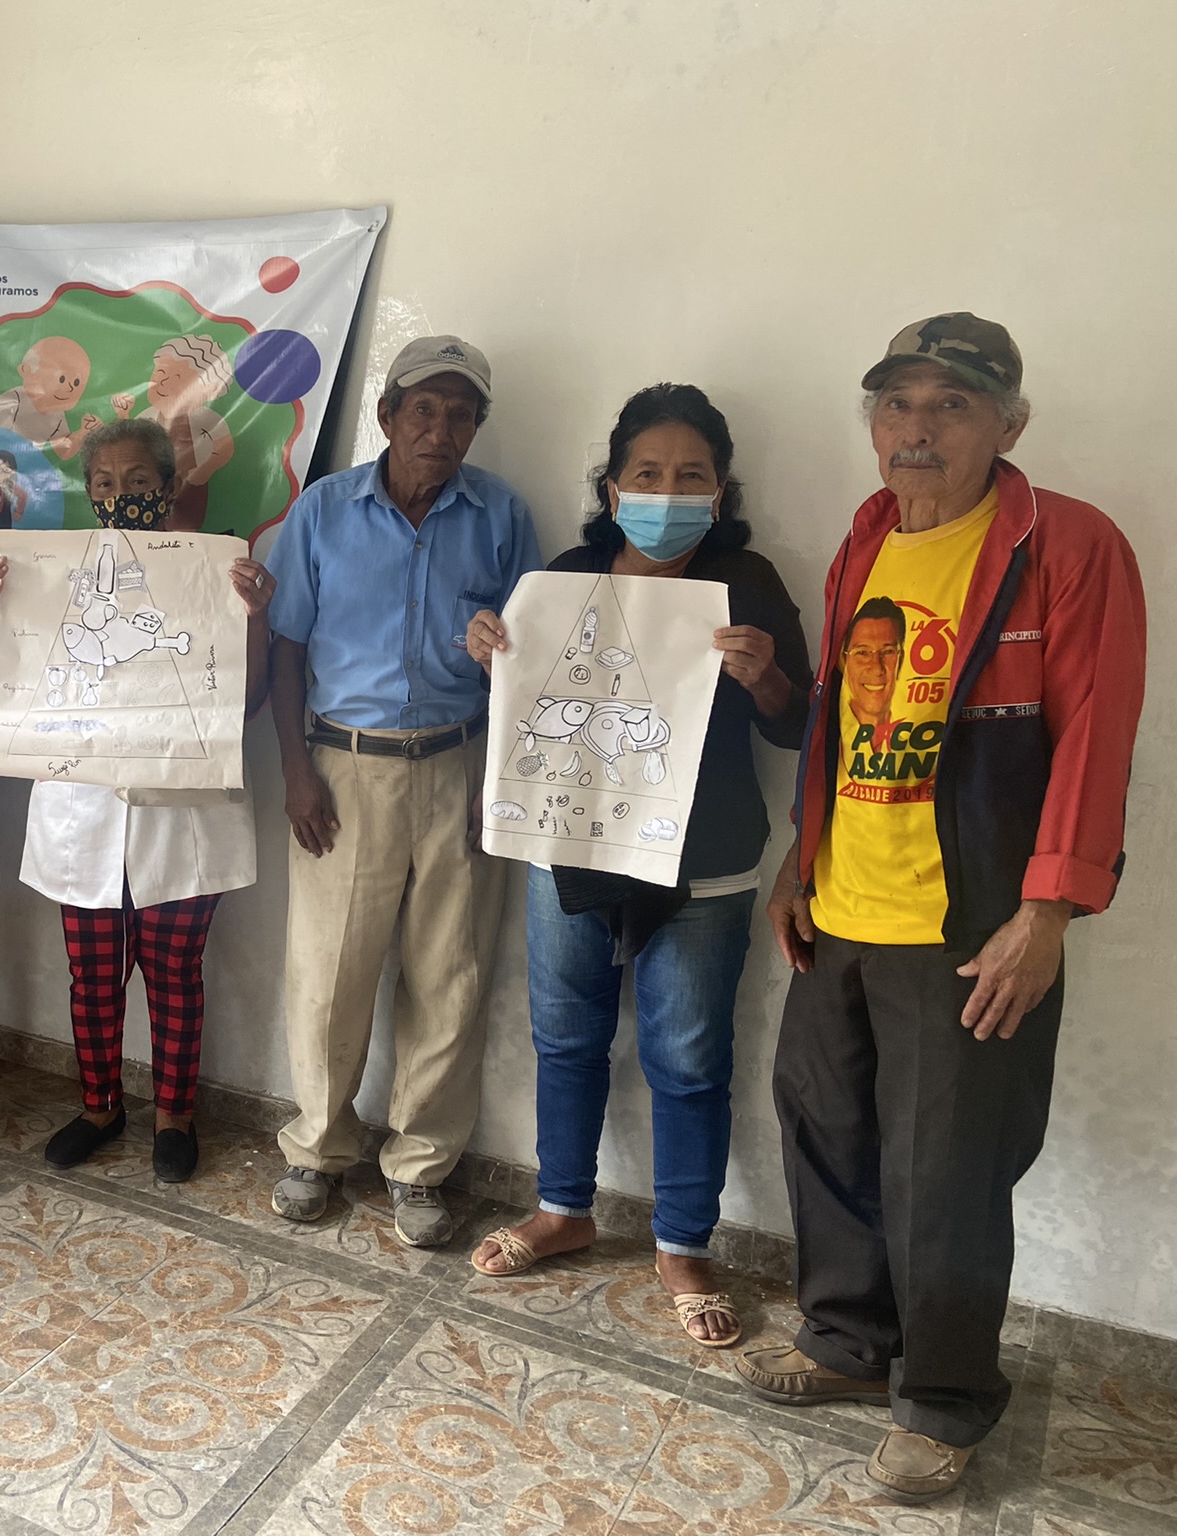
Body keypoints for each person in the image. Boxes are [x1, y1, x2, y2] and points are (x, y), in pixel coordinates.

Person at [737, 314, 1146, 1504]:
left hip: (965, 925)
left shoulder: (1064, 544)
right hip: (841, 907)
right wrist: (801, 856)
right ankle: (846, 1339)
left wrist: (1047, 911)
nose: (916, 428)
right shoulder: (866, 537)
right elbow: (843, 720)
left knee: (947, 1174)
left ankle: (944, 1399)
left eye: (950, 405)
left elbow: (1095, 732)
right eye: (896, 403)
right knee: (823, 1128)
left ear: (1007, 425)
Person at [464, 384, 811, 1348]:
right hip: (571, 849)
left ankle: (683, 1244)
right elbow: (530, 717)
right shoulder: (566, 578)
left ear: (720, 489)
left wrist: (766, 676)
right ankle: (564, 1209)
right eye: (647, 474)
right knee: (565, 1037)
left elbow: (801, 727)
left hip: (705, 863)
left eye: (691, 475)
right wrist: (492, 655)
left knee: (690, 1060)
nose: (668, 491)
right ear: (612, 489)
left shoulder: (747, 583)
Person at [262, 335, 540, 1247]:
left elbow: (533, 660)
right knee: (328, 972)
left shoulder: (501, 516)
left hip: (461, 765)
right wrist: (296, 771)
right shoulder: (324, 510)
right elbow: (287, 646)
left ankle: (420, 1168)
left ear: (476, 427)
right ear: (387, 417)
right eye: (423, 408)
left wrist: (498, 778)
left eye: (460, 413)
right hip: (345, 770)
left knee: (450, 977)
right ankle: (317, 1147)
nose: (440, 428)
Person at [0, 417, 275, 1182]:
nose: (120, 495)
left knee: (176, 973)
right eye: (104, 483)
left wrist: (255, 617)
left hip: (183, 811)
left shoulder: (217, 570)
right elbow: (21, 680)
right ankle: (100, 1106)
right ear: (89, 493)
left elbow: (248, 700)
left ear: (168, 487)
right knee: (94, 978)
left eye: (138, 481)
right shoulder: (49, 573)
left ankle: (175, 1114)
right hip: (84, 809)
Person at [111, 335, 237, 532]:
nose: (164, 383)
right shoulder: (148, 417)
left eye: (178, 378)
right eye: (160, 373)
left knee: (186, 527)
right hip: (151, 490)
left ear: (204, 388)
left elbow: (225, 446)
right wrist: (123, 415)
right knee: (152, 528)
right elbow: (129, 447)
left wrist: (203, 472)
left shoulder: (205, 418)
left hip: (191, 486)